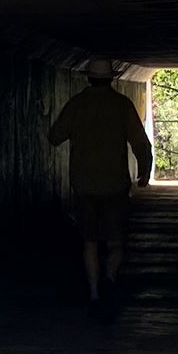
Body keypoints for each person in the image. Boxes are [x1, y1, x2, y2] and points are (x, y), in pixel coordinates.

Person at [47, 59, 153, 306]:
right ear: (112, 78)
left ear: (88, 77)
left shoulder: (77, 105)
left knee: (90, 240)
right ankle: (109, 278)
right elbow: (140, 143)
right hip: (115, 184)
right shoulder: (122, 105)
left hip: (83, 185)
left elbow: (54, 137)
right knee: (116, 241)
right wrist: (144, 172)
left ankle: (94, 293)